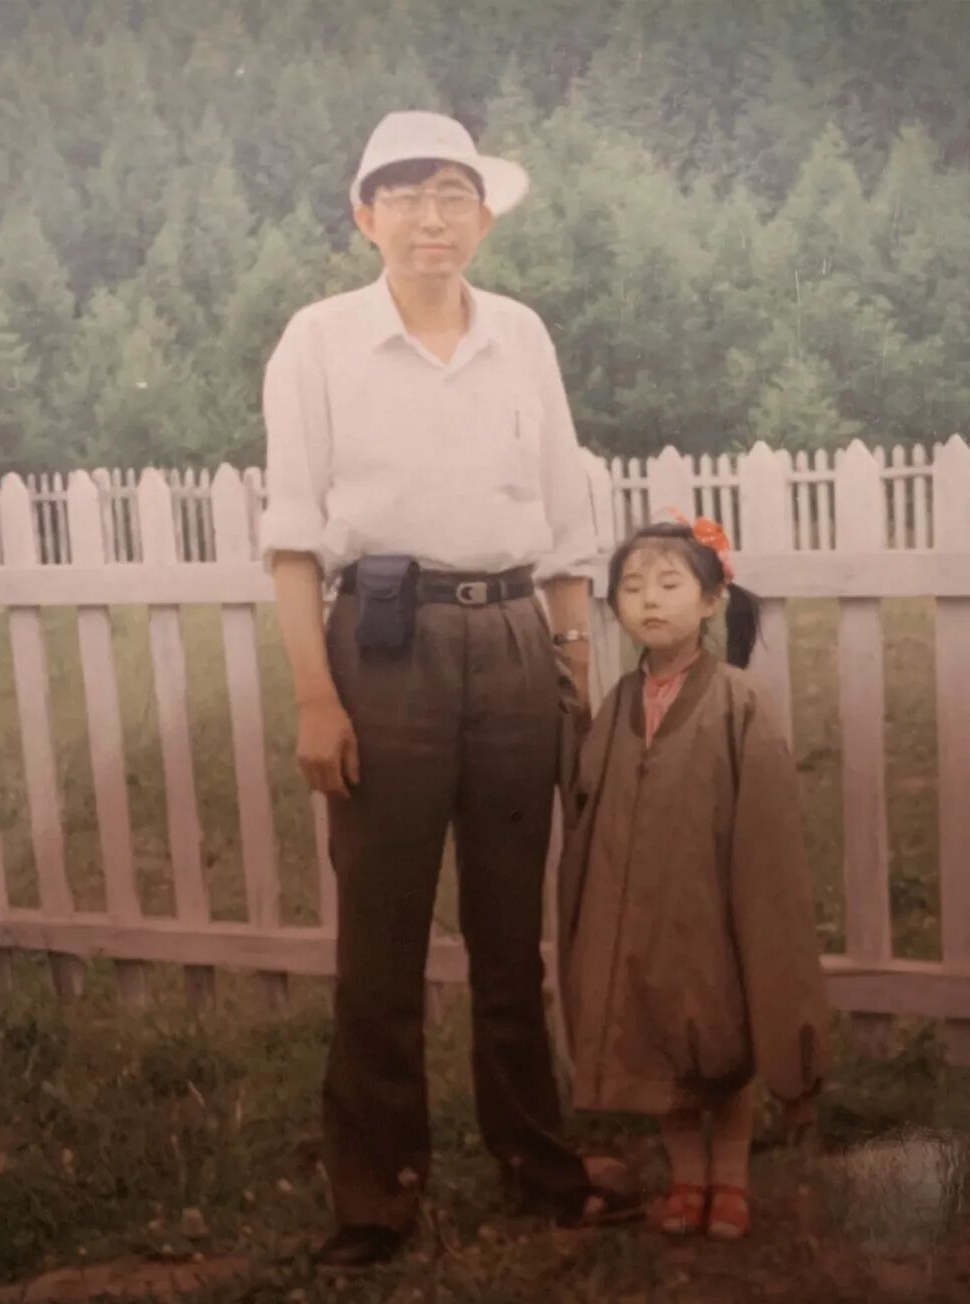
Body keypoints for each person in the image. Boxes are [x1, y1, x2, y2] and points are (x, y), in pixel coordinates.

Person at [259, 110, 639, 1272]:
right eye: (408, 195)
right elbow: (292, 538)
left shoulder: (521, 334)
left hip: (516, 640)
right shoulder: (320, 340)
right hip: (385, 648)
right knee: (379, 939)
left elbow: (563, 518)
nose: (433, 218)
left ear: (482, 215)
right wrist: (317, 696)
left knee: (510, 933)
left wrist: (572, 668)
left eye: (454, 195)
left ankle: (537, 1160)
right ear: (364, 215)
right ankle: (375, 1194)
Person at [556, 515, 830, 1241]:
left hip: (711, 914)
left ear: (710, 601)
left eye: (669, 584)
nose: (650, 600)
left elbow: (767, 836)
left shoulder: (739, 704)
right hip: (641, 918)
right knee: (661, 1055)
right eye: (632, 587)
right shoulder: (617, 706)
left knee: (721, 1050)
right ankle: (687, 1179)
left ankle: (730, 1181)